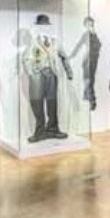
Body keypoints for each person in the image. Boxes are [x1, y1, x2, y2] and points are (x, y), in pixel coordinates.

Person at [23, 14, 73, 143]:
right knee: (37, 102)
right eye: (41, 26)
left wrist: (69, 71)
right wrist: (31, 73)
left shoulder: (55, 42)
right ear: (37, 27)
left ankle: (53, 129)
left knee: (52, 102)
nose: (44, 28)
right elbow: (26, 59)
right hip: (38, 75)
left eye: (46, 26)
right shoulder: (34, 42)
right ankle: (39, 131)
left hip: (52, 74)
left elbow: (64, 57)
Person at [70, 16, 101, 111]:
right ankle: (89, 97)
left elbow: (99, 45)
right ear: (85, 25)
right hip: (87, 60)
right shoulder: (85, 35)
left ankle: (90, 98)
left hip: (93, 60)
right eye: (88, 24)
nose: (90, 26)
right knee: (87, 79)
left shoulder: (95, 35)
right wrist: (71, 55)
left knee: (90, 80)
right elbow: (78, 45)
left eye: (91, 24)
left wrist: (94, 34)